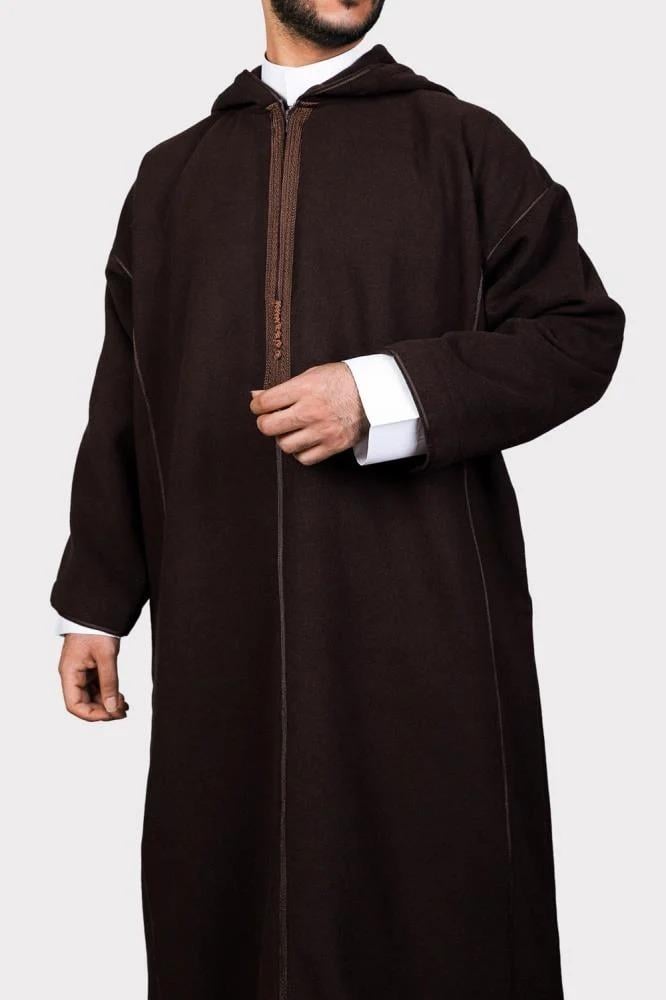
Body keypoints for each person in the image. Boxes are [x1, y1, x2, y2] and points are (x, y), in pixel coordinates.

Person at [52, 1, 624, 996]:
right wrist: (96, 605)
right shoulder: (170, 178)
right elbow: (127, 401)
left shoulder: (464, 146)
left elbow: (578, 334)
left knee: (434, 925)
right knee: (227, 922)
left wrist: (384, 393)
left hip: (425, 638)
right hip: (221, 642)